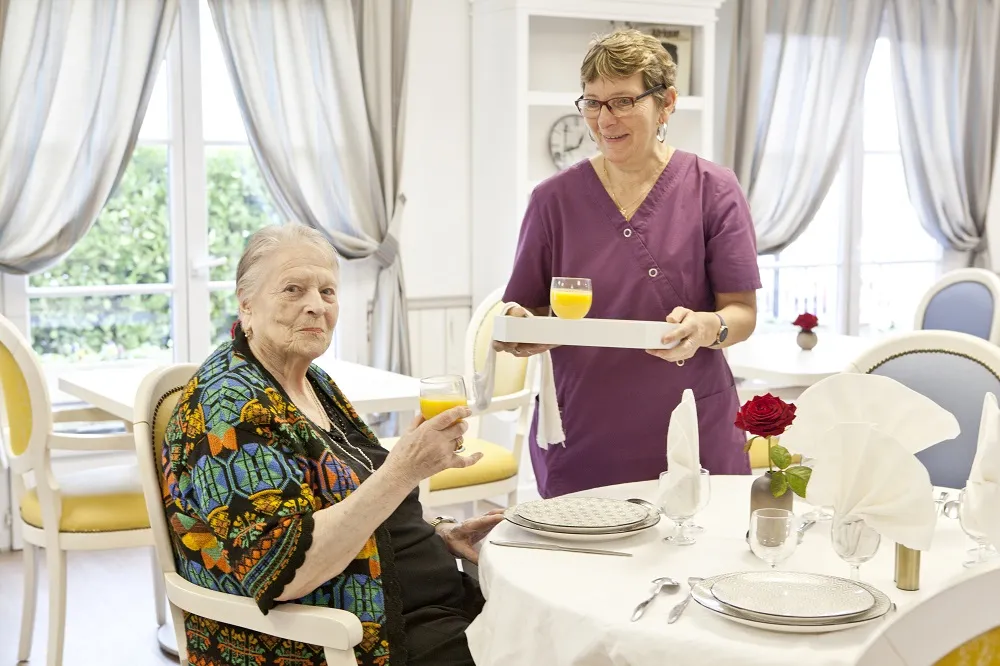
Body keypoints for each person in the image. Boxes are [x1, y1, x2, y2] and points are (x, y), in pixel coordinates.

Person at [161, 224, 502, 666]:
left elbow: (352, 492)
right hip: (357, 638)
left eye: (327, 291)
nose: (315, 306)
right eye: (292, 289)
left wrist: (438, 533)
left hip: (426, 604)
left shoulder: (309, 379)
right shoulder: (229, 405)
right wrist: (404, 468)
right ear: (246, 306)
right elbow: (283, 571)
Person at [495, 29, 761, 498]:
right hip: (584, 429)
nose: (604, 119)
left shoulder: (714, 189)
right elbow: (524, 310)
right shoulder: (552, 200)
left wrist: (704, 328)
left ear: (666, 102)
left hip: (691, 422)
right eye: (593, 103)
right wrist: (518, 328)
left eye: (622, 101)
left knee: (701, 562)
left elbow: (741, 313)